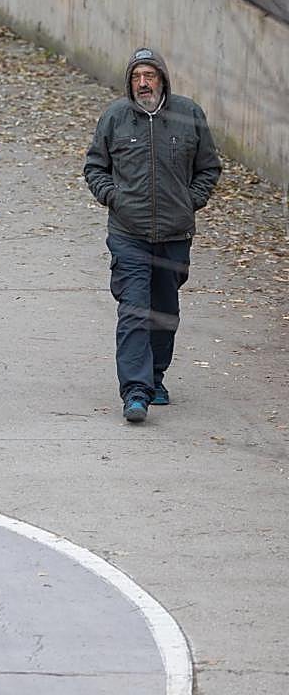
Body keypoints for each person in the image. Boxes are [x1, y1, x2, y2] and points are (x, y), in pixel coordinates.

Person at [84, 47, 221, 423]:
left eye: (150, 76)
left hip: (175, 235)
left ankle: (155, 377)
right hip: (128, 233)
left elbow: (209, 168)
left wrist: (189, 202)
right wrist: (114, 198)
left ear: (163, 79)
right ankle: (135, 392)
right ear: (130, 82)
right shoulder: (115, 117)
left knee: (164, 312)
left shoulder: (188, 114)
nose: (143, 83)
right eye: (136, 77)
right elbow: (95, 167)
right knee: (133, 311)